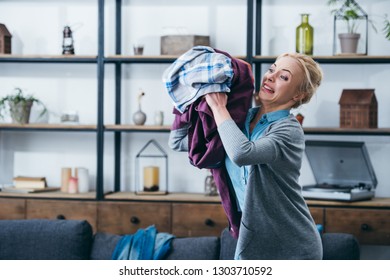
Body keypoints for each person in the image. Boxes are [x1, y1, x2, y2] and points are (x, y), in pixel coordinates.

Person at [204, 53, 324, 260]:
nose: (270, 76)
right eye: (271, 70)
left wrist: (218, 107)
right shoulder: (239, 120)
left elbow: (242, 153)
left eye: (283, 77)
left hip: (293, 247)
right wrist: (186, 108)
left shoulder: (289, 130)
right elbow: (181, 144)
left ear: (298, 95)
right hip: (254, 240)